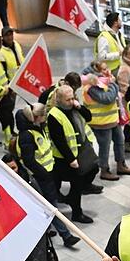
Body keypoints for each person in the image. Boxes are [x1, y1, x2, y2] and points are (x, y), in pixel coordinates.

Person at [15, 103, 83, 245]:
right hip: (40, 177)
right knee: (51, 206)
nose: (45, 117)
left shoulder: (37, 129)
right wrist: (44, 174)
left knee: (47, 205)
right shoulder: (27, 136)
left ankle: (48, 230)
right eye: (43, 115)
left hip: (47, 174)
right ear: (35, 117)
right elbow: (29, 161)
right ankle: (66, 236)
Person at [47, 85, 99, 224]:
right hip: (64, 158)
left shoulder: (74, 108)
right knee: (75, 183)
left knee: (92, 170)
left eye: (72, 98)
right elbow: (59, 141)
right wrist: (71, 159)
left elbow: (88, 117)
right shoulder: (54, 115)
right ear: (59, 100)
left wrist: (79, 106)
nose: (71, 102)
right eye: (68, 99)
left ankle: (71, 200)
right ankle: (76, 212)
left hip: (80, 151)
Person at [82, 61, 130, 181]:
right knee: (104, 146)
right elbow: (107, 98)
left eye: (107, 69)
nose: (107, 71)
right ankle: (104, 170)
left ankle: (121, 164)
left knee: (119, 141)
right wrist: (114, 85)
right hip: (100, 122)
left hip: (111, 119)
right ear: (97, 72)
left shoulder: (104, 82)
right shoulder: (91, 86)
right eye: (104, 70)